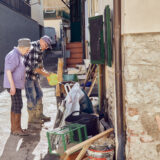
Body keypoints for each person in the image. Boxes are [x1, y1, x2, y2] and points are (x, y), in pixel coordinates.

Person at [3, 38, 31, 136]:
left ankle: (14, 128)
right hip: (13, 85)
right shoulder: (13, 55)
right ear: (22, 47)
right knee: (18, 105)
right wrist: (12, 86)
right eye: (27, 49)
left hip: (16, 85)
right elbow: (8, 71)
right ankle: (17, 129)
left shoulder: (19, 55)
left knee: (15, 105)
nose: (28, 51)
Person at [24, 35, 52, 124]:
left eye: (47, 46)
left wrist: (48, 74)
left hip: (35, 76)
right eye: (46, 45)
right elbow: (34, 68)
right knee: (31, 96)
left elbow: (40, 66)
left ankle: (39, 114)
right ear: (41, 40)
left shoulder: (40, 50)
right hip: (27, 76)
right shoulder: (33, 47)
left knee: (39, 94)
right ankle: (32, 118)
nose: (46, 47)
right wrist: (45, 74)